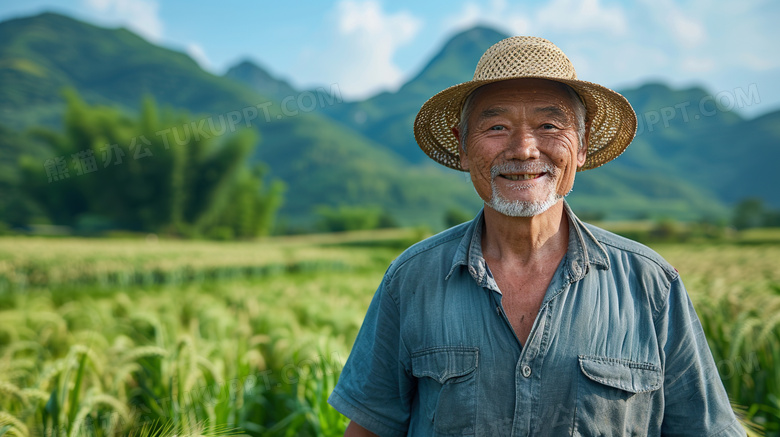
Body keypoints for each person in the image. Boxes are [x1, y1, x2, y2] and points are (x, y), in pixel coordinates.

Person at [328, 36, 745, 436]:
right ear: (462, 146)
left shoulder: (652, 285)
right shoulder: (410, 280)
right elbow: (370, 428)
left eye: (548, 124)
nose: (524, 149)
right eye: (496, 127)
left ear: (580, 146)